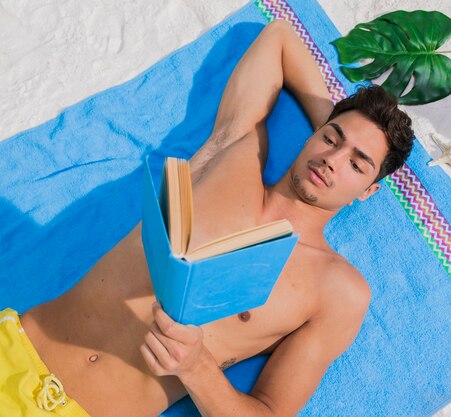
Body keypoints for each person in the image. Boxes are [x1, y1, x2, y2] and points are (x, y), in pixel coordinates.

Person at [2, 19, 413, 417]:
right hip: (14, 351)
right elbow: (279, 37)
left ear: (368, 191)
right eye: (329, 140)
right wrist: (337, 118)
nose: (331, 160)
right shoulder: (236, 153)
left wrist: (197, 367)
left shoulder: (336, 290)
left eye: (357, 165)